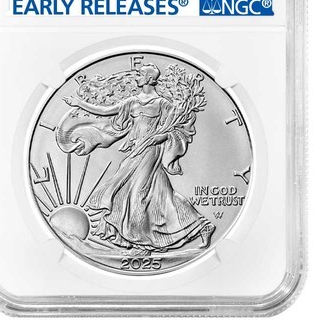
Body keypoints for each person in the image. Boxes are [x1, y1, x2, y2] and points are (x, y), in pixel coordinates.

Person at [62, 63, 215, 255]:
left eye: (140, 75)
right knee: (158, 194)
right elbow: (105, 111)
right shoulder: (132, 102)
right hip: (136, 150)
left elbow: (179, 127)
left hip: (151, 150)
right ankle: (201, 226)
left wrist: (162, 136)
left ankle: (141, 244)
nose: (137, 77)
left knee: (137, 193)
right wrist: (79, 103)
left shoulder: (163, 104)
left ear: (149, 79)